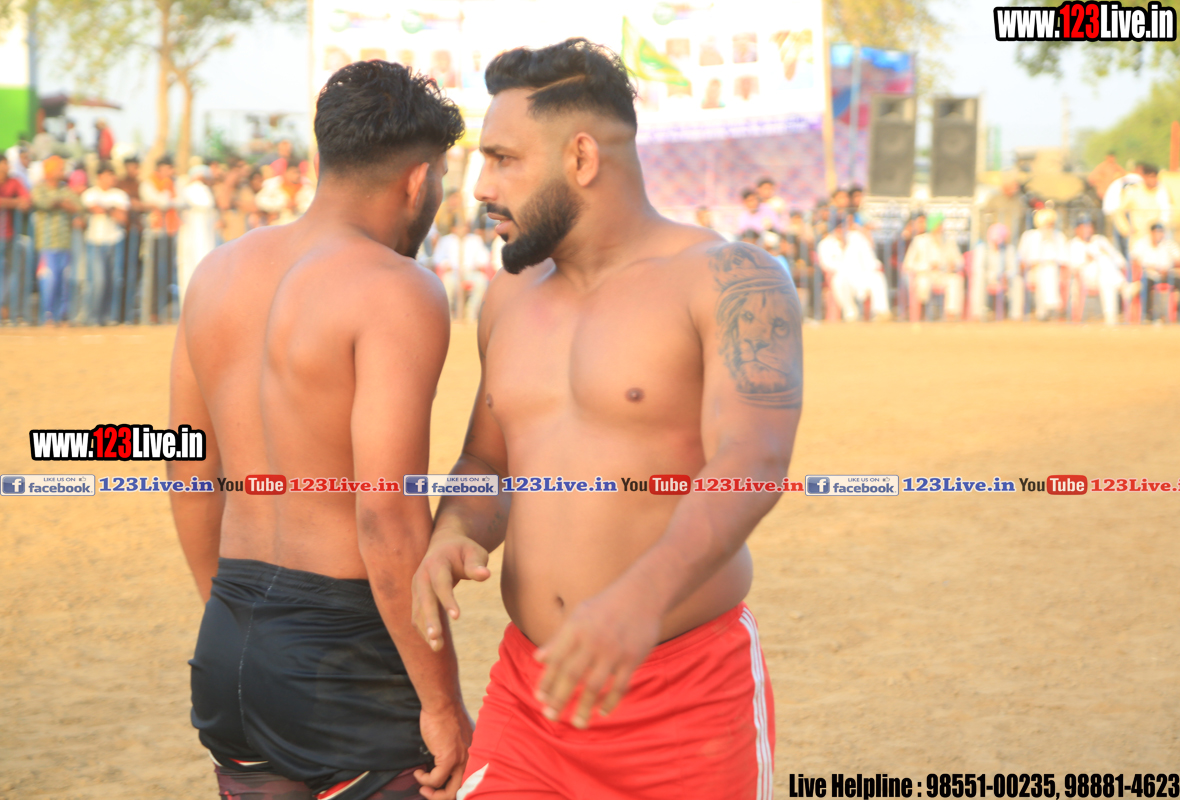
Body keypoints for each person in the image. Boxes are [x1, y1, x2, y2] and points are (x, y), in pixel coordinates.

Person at [412, 39, 801, 800]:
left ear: (582, 157)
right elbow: (489, 465)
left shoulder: (731, 280)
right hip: (530, 697)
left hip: (684, 702)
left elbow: (752, 464)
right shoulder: (508, 297)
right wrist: (456, 529)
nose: (481, 187)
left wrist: (638, 598)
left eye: (503, 159)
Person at [167, 60, 472, 800]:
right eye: (442, 179)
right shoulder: (397, 289)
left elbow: (185, 467)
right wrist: (441, 702)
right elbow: (387, 513)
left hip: (229, 635)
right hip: (344, 654)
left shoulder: (216, 273)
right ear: (418, 180)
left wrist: (232, 620)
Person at [31, 155, 80, 325]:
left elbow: (78, 205)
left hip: (64, 243)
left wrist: (62, 203)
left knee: (63, 281)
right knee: (48, 280)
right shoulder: (40, 188)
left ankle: (62, 315)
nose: (62, 171)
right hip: (46, 243)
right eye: (59, 168)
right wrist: (60, 202)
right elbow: (42, 202)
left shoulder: (65, 189)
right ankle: (48, 316)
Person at [80, 162, 130, 325]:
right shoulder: (90, 193)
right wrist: (112, 209)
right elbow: (95, 209)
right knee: (98, 281)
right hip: (95, 241)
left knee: (114, 280)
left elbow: (122, 217)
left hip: (115, 241)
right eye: (108, 175)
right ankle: (93, 316)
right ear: (99, 177)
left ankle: (109, 316)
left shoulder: (120, 195)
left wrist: (107, 209)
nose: (111, 178)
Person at [818, 214, 890, 321]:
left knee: (878, 277)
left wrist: (874, 267)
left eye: (843, 227)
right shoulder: (825, 244)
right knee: (839, 281)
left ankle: (881, 312)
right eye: (838, 228)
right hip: (842, 278)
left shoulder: (857, 238)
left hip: (861, 276)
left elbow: (869, 258)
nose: (840, 231)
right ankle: (850, 314)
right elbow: (827, 265)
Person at [141, 156, 181, 322]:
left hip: (170, 232)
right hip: (155, 234)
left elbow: (180, 202)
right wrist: (166, 188)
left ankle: (165, 311)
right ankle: (152, 312)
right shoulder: (150, 184)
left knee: (168, 275)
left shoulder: (175, 183)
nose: (170, 172)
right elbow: (163, 203)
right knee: (154, 274)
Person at [902, 211, 964, 321]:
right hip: (925, 275)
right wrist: (928, 266)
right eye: (938, 225)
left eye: (941, 225)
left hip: (944, 275)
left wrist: (954, 264)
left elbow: (960, 261)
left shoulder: (949, 241)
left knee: (955, 280)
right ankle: (924, 313)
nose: (940, 228)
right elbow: (908, 264)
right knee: (923, 283)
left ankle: (951, 314)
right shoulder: (919, 241)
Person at [1068, 215, 1127, 325]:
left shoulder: (1100, 240)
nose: (1088, 229)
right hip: (1085, 277)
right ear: (1077, 229)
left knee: (1106, 279)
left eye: (1089, 226)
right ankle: (1123, 287)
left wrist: (1105, 254)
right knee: (1104, 261)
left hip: (1103, 275)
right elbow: (1072, 267)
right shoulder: (1074, 244)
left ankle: (1111, 319)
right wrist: (1087, 259)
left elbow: (1120, 260)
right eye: (1084, 227)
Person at [432, 217, 491, 320]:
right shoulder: (446, 240)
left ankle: (470, 313)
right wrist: (446, 264)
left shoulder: (475, 240)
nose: (464, 229)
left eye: (465, 226)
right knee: (447, 282)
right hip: (453, 272)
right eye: (460, 227)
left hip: (470, 272)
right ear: (453, 228)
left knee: (482, 281)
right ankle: (449, 316)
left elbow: (484, 258)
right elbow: (437, 258)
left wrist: (477, 264)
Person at [1017, 208, 1070, 321]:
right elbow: (1021, 259)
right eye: (1047, 223)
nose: (1049, 226)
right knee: (1042, 273)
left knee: (1049, 271)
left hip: (1054, 270)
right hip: (1032, 271)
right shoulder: (1029, 236)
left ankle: (1048, 309)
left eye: (1051, 224)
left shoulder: (1059, 236)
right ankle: (1046, 309)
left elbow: (1064, 260)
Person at [177, 164, 218, 302]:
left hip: (199, 236)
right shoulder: (196, 188)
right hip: (197, 237)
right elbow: (206, 203)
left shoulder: (191, 189)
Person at [0, 154, 32, 322]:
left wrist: (13, 202)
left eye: (6, 164)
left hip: (9, 235)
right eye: (2, 164)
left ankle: (7, 308)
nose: (5, 167)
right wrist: (13, 202)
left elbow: (26, 200)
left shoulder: (14, 181)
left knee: (13, 273)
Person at [1130, 222, 1180, 322]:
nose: (1160, 235)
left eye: (1161, 232)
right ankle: (1147, 314)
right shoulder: (1142, 243)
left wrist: (1168, 268)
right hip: (1150, 274)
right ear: (1151, 233)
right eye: (1157, 232)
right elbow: (1133, 259)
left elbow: (1179, 260)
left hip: (1167, 274)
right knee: (1145, 284)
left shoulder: (1169, 243)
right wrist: (1148, 267)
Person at [117, 158, 146, 323]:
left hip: (137, 232)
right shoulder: (120, 184)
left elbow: (141, 205)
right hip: (124, 234)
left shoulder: (139, 185)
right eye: (134, 167)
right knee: (122, 272)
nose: (136, 170)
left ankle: (129, 312)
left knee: (134, 272)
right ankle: (120, 312)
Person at [1114, 163, 1170, 246]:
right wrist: (1126, 229)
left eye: (1155, 177)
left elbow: (1167, 213)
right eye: (1151, 177)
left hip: (1155, 240)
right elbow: (1119, 212)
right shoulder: (1133, 191)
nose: (1154, 180)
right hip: (1138, 239)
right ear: (1144, 177)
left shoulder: (1160, 193)